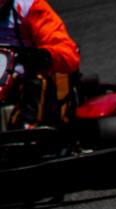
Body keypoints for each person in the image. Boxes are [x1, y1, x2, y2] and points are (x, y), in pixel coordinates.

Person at [0, 0, 79, 128]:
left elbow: (68, 53)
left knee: (37, 82)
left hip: (27, 78)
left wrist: (44, 55)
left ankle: (26, 129)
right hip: (2, 77)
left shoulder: (31, 7)